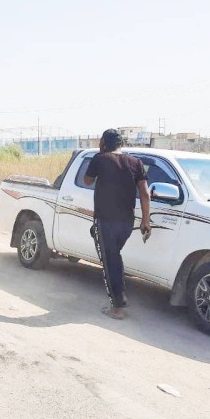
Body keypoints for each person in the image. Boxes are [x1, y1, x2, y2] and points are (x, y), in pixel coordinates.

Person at [83, 128, 152, 320]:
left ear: (104, 143)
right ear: (120, 144)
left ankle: (117, 306)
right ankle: (119, 298)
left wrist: (99, 156)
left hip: (105, 221)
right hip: (127, 223)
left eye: (100, 142)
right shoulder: (135, 162)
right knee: (114, 255)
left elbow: (87, 180)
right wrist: (146, 221)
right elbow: (145, 194)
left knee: (109, 261)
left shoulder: (100, 159)